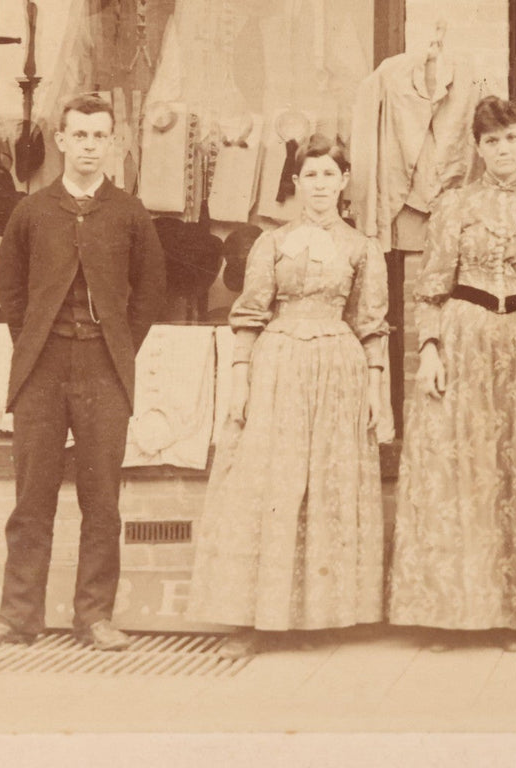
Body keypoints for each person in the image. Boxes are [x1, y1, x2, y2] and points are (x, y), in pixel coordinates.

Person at [0, 94, 166, 651]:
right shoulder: (30, 212)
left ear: (113, 143)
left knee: (102, 500)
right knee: (32, 497)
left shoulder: (129, 213)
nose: (88, 146)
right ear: (60, 140)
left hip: (104, 367)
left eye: (99, 136)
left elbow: (149, 291)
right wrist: (36, 342)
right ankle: (17, 617)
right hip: (42, 368)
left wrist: (117, 343)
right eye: (79, 135)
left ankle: (95, 617)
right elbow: (10, 290)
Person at [184, 135, 389, 659]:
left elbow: (370, 326)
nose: (320, 185)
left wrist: (376, 391)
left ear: (344, 182)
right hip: (277, 366)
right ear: (296, 184)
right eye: (310, 176)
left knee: (327, 481)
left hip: (337, 370)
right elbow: (250, 313)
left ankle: (327, 616)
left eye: (329, 175)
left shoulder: (362, 248)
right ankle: (258, 619)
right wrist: (240, 379)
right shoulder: (270, 244)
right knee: (268, 483)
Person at [388, 96, 516, 651]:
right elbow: (431, 287)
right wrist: (429, 350)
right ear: (478, 146)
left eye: (511, 137)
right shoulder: (454, 206)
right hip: (462, 337)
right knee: (456, 474)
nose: (502, 148)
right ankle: (449, 613)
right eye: (491, 140)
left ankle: (513, 616)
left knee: (515, 472)